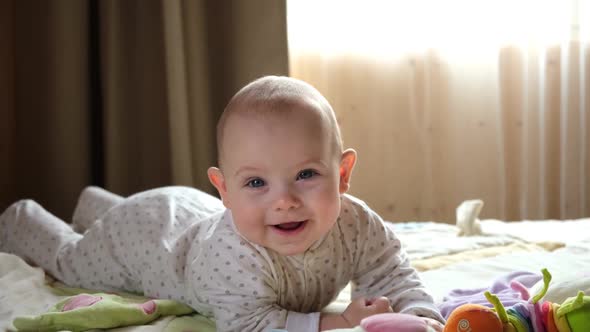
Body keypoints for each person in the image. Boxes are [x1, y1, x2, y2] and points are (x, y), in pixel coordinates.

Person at [0, 76, 445, 331]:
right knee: (73, 262)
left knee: (133, 217)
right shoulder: (231, 254)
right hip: (143, 237)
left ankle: (95, 205)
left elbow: (391, 273)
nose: (285, 201)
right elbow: (250, 323)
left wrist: (420, 317)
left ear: (343, 175)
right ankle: (23, 218)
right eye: (256, 182)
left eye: (306, 175)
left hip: (183, 211)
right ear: (225, 189)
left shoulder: (356, 224)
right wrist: (341, 321)